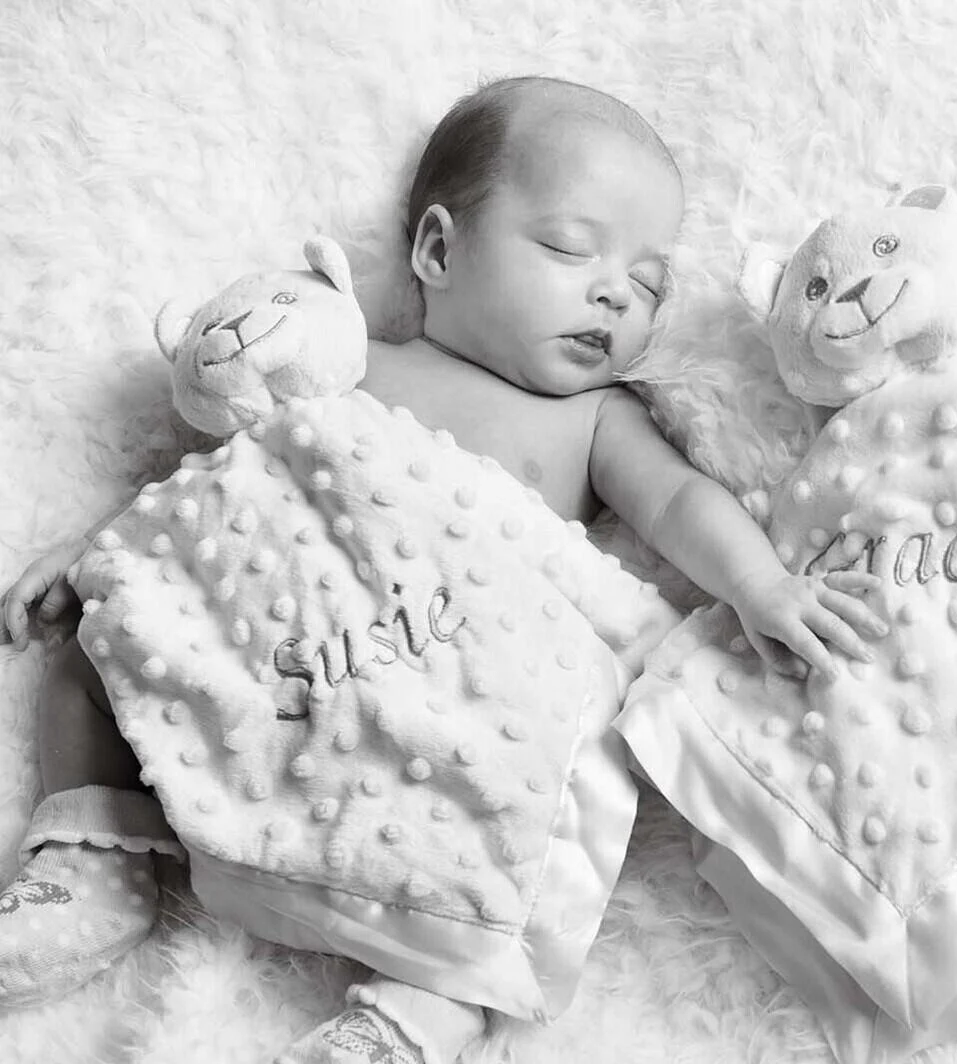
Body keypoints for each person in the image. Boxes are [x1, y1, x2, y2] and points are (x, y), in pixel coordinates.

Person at [0, 76, 887, 1063]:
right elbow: (223, 491)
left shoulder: (594, 419)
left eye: (647, 283)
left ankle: (418, 1012)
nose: (613, 292)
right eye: (569, 247)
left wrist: (761, 584)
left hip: (446, 690)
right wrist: (111, 542)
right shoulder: (346, 364)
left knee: (543, 798)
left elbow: (681, 502)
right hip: (286, 652)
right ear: (436, 249)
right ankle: (94, 848)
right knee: (109, 632)